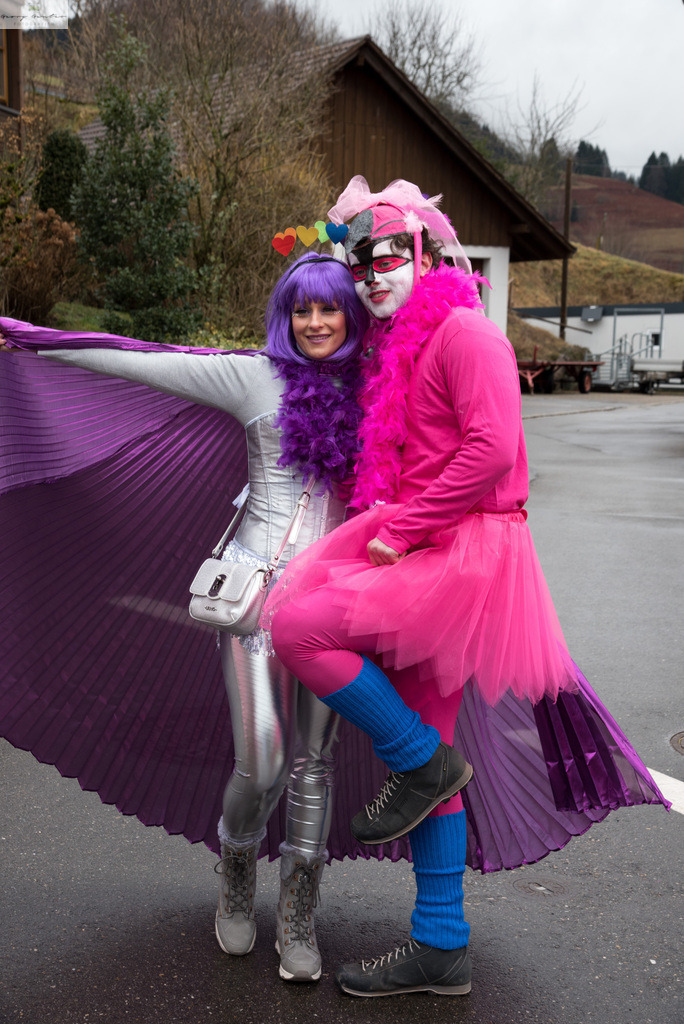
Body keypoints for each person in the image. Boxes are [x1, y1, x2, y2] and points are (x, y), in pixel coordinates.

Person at [265, 177, 669, 998]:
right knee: (427, 748)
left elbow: (491, 454)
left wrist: (403, 528)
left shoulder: (468, 334)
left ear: (425, 252)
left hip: (462, 555)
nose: (374, 274)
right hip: (427, 552)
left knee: (298, 625)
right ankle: (441, 943)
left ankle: (422, 764)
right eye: (361, 260)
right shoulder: (393, 344)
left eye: (389, 255)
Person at [0, 253, 369, 983]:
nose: (317, 323)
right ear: (285, 317)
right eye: (303, 310)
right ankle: (236, 865)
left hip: (339, 606)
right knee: (261, 760)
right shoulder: (252, 377)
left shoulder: (378, 387)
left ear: (351, 317)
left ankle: (299, 910)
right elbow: (144, 362)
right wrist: (29, 339)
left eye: (330, 309)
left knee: (313, 764)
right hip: (254, 599)